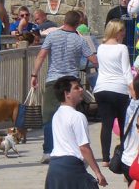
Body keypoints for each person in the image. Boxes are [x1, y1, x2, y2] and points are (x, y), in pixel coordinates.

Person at [31, 10, 97, 161]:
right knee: (72, 117)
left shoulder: (52, 36)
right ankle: (72, 149)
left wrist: (34, 75)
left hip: (53, 80)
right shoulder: (80, 40)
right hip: (71, 80)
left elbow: (41, 56)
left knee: (49, 116)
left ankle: (48, 150)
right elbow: (94, 59)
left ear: (64, 21)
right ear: (78, 24)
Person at [45, 75, 108, 189]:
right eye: (76, 88)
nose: (81, 90)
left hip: (54, 167)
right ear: (67, 94)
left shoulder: (57, 115)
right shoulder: (77, 116)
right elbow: (84, 148)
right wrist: (98, 173)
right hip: (71, 168)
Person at [93, 20, 133, 163]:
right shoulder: (122, 48)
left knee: (106, 124)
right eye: (122, 31)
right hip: (119, 88)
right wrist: (133, 90)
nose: (124, 34)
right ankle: (124, 155)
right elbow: (127, 72)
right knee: (123, 123)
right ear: (117, 32)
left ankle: (105, 158)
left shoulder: (101, 48)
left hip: (101, 88)